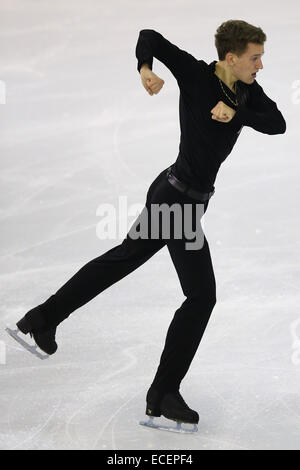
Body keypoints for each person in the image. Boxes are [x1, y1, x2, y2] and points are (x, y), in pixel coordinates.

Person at [11, 20, 286, 428]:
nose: (260, 65)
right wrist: (145, 69)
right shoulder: (196, 75)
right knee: (199, 296)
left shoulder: (245, 91)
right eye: (254, 58)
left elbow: (277, 122)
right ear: (231, 58)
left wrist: (237, 113)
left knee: (127, 262)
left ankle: (43, 319)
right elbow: (150, 38)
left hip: (182, 200)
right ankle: (162, 393)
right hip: (176, 201)